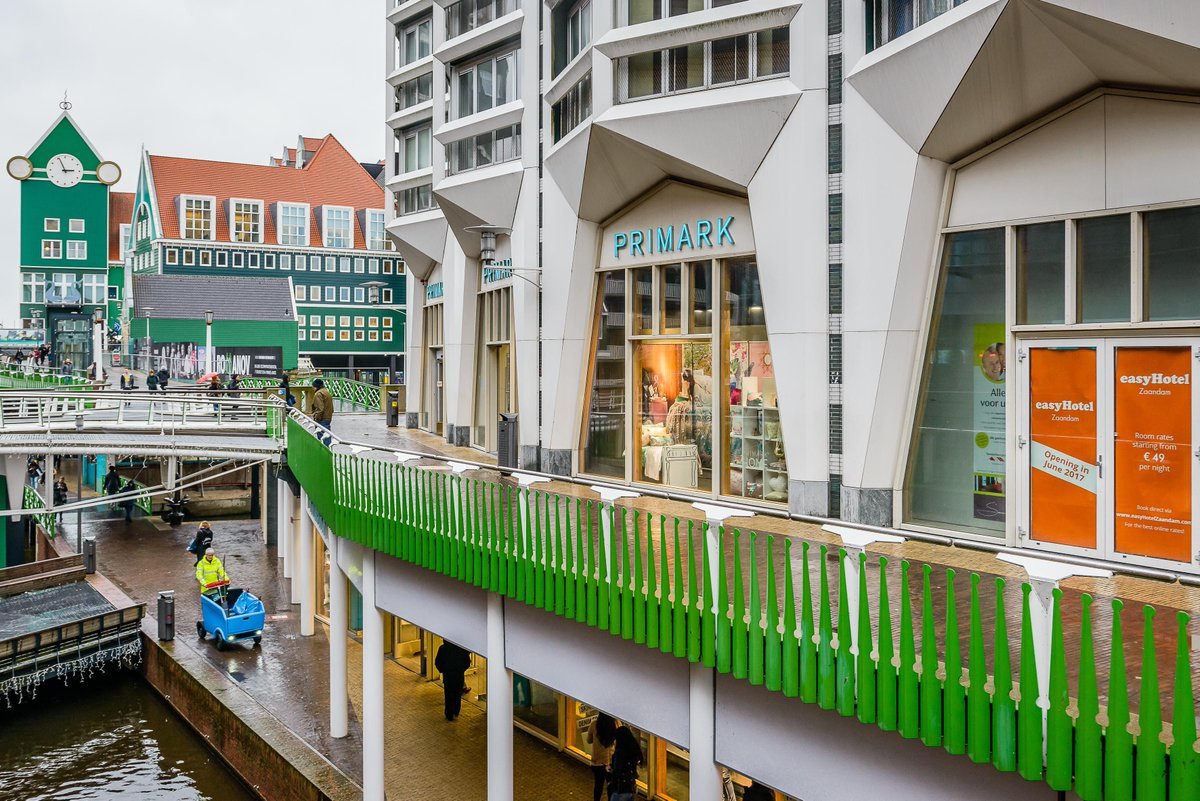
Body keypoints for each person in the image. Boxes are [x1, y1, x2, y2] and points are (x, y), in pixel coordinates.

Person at [434, 641, 472, 721]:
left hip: (448, 676)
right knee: (457, 694)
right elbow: (467, 662)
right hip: (458, 676)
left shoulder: (443, 648)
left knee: (448, 695)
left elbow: (437, 662)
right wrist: (461, 670)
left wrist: (443, 670)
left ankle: (449, 714)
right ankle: (456, 711)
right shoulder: (460, 649)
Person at [586, 713, 618, 801]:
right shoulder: (615, 725)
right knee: (611, 785)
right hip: (610, 762)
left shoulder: (594, 724)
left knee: (598, 785)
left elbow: (589, 740)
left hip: (597, 762)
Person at [609, 726, 644, 801]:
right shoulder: (633, 750)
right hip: (632, 786)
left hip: (621, 789)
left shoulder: (620, 752)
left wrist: (612, 784)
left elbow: (617, 770)